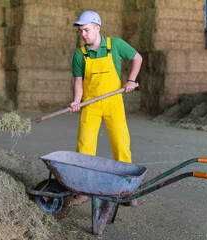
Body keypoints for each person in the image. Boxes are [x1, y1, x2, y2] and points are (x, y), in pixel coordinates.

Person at [69, 11, 142, 206]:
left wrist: (131, 80)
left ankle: (126, 191)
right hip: (90, 105)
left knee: (121, 145)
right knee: (84, 147)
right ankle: (83, 191)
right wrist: (76, 101)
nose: (83, 34)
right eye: (80, 31)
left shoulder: (115, 45)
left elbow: (137, 58)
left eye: (86, 30)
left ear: (97, 28)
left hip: (113, 103)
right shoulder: (80, 55)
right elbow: (79, 82)